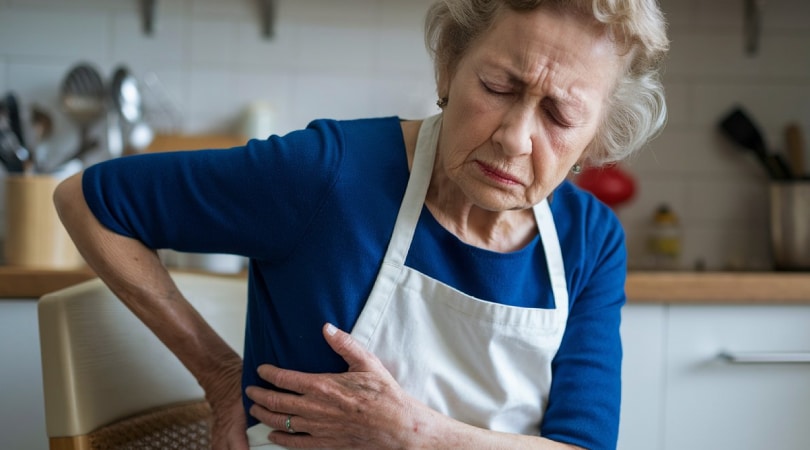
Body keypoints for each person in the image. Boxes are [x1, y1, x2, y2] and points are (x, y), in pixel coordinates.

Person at [54, 0, 668, 448]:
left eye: (560, 114)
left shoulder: (589, 238)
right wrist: (219, 375)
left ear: (595, 141)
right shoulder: (328, 175)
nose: (514, 137)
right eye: (499, 86)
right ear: (449, 68)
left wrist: (416, 435)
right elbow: (88, 201)